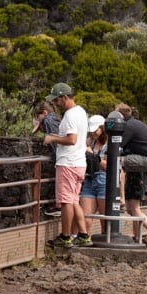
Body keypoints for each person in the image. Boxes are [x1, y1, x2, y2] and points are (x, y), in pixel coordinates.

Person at [42, 83, 92, 248]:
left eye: (56, 100)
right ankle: (83, 235)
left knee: (65, 202)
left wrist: (52, 138)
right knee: (73, 200)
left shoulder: (70, 115)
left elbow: (71, 140)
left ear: (64, 97)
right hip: (79, 163)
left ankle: (65, 236)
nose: (55, 104)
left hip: (68, 163)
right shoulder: (81, 112)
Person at [116, 102, 147, 247]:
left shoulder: (130, 126)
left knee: (120, 161)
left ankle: (120, 197)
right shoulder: (136, 124)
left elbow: (118, 146)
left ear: (120, 116)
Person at [79, 114, 108, 235]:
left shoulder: (110, 144)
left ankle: (105, 243)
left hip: (104, 180)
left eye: (95, 131)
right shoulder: (90, 142)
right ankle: (86, 240)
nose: (93, 133)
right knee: (86, 219)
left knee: (105, 219)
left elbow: (109, 167)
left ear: (102, 128)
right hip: (89, 179)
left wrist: (94, 157)